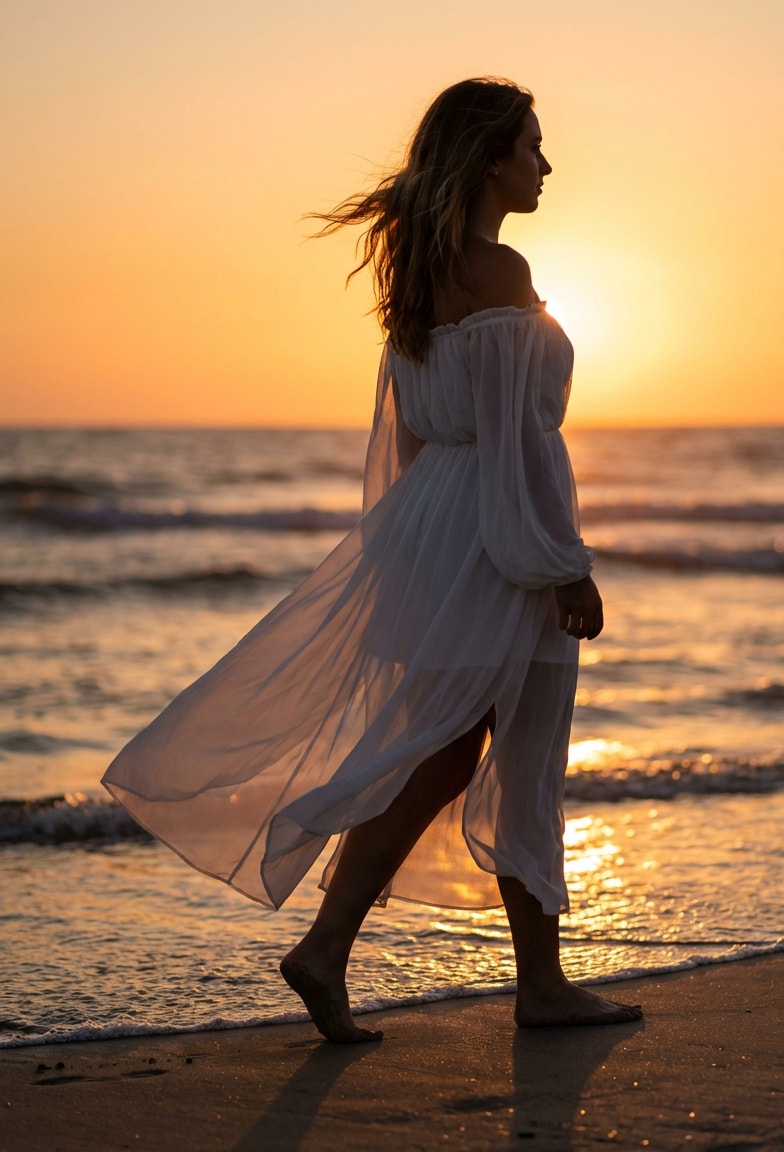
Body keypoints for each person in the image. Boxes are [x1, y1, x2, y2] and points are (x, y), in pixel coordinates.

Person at [102, 77, 643, 1043]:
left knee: (439, 751)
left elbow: (412, 437)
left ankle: (344, 949)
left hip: (432, 527)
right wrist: (561, 562)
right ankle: (535, 985)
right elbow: (516, 443)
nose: (546, 164)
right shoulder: (502, 272)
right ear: (488, 158)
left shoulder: (418, 278)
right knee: (512, 752)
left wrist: (402, 550)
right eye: (532, 145)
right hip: (490, 532)